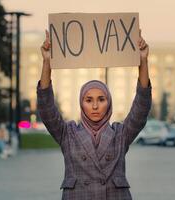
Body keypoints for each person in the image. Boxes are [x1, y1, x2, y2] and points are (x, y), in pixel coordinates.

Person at [37, 29, 151, 200]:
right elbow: (46, 108)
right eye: (88, 100)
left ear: (109, 102)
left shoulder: (121, 134)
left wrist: (143, 60)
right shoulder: (68, 134)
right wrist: (47, 62)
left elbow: (141, 106)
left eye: (101, 99)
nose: (95, 106)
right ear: (81, 104)